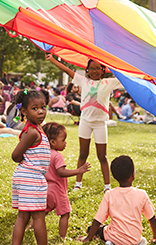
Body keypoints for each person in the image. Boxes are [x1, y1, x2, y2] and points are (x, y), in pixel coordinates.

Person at [46, 54, 122, 192]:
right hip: (85, 122)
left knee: (102, 156)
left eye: (97, 68)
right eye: (91, 68)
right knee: (83, 154)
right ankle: (78, 184)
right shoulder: (84, 81)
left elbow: (125, 78)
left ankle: (107, 186)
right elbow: (67, 71)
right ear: (87, 70)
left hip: (100, 124)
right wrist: (52, 59)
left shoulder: (109, 82)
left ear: (103, 70)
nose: (94, 71)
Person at [77, 155, 156, 245]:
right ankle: (140, 242)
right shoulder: (142, 194)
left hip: (114, 237)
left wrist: (88, 238)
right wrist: (155, 237)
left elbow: (97, 221)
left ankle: (111, 243)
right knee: (111, 229)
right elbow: (152, 218)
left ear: (114, 177)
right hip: (134, 239)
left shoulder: (109, 195)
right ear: (133, 174)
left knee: (92, 228)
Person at [27, 123, 91, 239]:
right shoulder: (57, 156)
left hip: (45, 189)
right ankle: (62, 237)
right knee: (65, 214)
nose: (65, 142)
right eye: (63, 140)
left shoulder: (43, 155)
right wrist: (78, 170)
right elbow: (61, 172)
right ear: (52, 142)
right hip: (58, 191)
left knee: (42, 212)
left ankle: (30, 227)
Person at [11, 89, 50, 245]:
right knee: (39, 217)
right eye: (35, 108)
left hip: (26, 177)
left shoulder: (36, 128)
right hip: (31, 178)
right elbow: (15, 155)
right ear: (25, 111)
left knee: (22, 216)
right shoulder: (32, 132)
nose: (41, 111)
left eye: (43, 107)